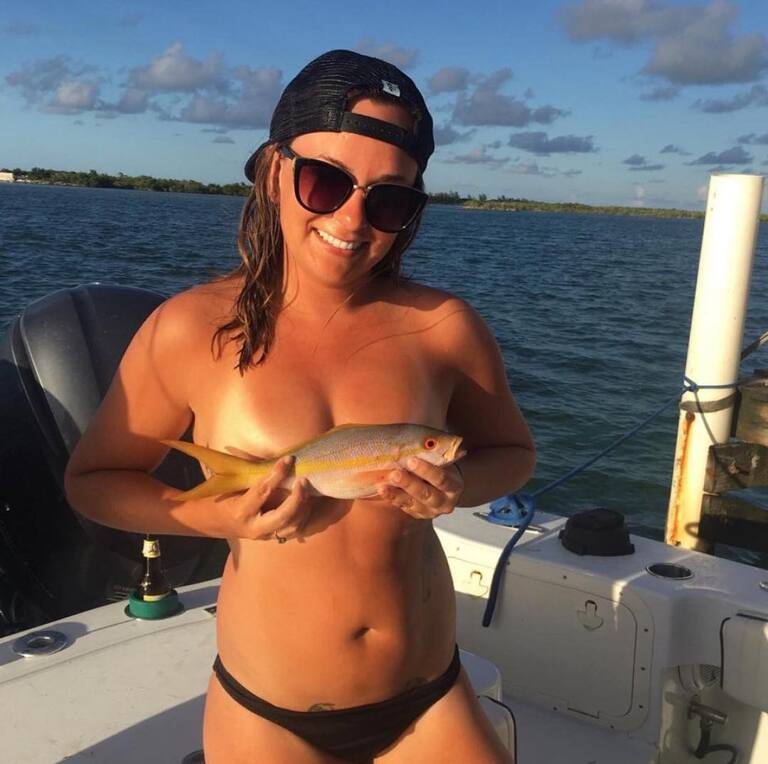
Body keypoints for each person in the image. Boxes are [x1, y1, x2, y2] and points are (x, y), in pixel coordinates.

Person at [64, 49, 535, 764]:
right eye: (325, 181)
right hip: (270, 717)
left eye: (389, 200)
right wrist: (214, 518)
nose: (352, 218)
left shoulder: (445, 327)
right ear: (273, 171)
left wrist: (458, 485)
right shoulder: (190, 329)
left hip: (429, 698)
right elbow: (93, 480)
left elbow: (513, 455)